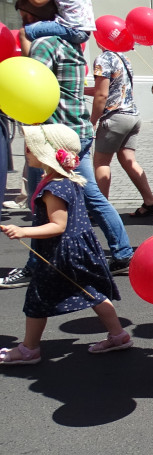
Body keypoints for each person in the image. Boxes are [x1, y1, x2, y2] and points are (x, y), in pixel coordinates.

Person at [0, 0, 134, 289]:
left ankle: (35, 266)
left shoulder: (44, 44)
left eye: (22, 16)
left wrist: (25, 46)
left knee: (41, 202)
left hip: (53, 136)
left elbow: (30, 83)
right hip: (76, 130)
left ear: (29, 16)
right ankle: (122, 253)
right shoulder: (72, 45)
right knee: (91, 197)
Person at [0, 125, 126, 365]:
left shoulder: (54, 187)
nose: (26, 150)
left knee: (37, 298)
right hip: (77, 249)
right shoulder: (65, 178)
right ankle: (118, 336)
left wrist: (23, 231)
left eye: (32, 148)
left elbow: (58, 225)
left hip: (61, 253)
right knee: (93, 292)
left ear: (48, 154)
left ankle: (29, 350)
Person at [89, 49, 153, 217]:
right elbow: (114, 88)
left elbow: (102, 94)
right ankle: (150, 202)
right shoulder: (123, 57)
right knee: (128, 160)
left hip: (114, 117)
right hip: (132, 115)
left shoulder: (103, 58)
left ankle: (101, 209)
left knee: (101, 163)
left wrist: (93, 121)